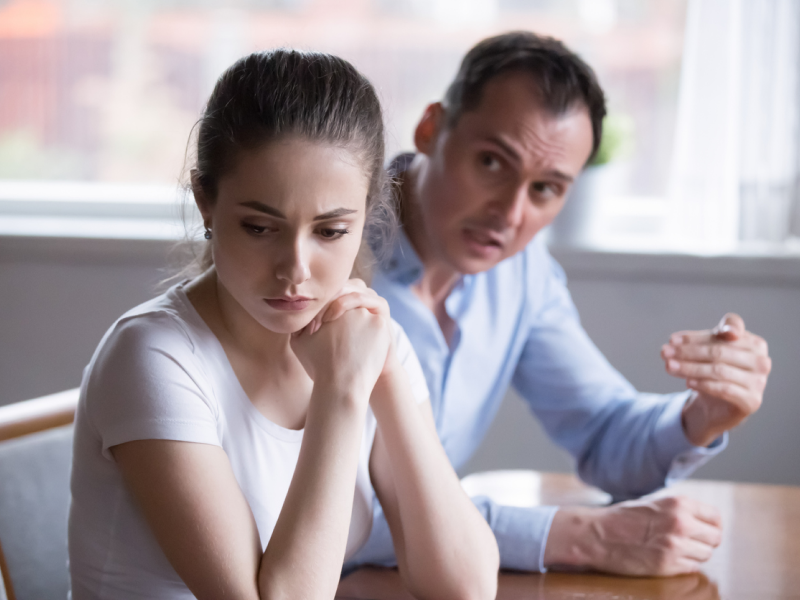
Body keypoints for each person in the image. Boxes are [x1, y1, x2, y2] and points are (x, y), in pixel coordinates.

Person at [68, 49, 499, 600]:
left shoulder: (362, 337)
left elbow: (464, 587)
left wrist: (385, 373)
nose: (295, 270)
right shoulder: (154, 358)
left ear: (367, 214)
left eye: (330, 231)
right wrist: (341, 393)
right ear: (205, 201)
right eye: (259, 227)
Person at [351, 31, 773, 577]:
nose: (509, 214)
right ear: (432, 128)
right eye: (491, 163)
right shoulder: (320, 252)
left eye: (546, 188)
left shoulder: (521, 273)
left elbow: (603, 431)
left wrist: (701, 416)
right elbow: (310, 510)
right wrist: (570, 536)